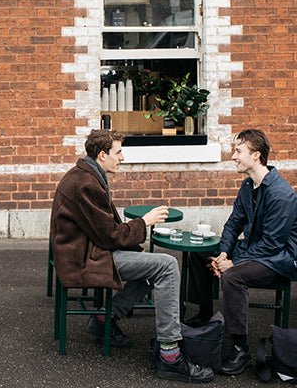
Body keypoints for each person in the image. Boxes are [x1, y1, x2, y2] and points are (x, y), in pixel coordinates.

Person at [50, 129, 213, 383]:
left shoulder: (84, 175)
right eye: (118, 152)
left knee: (156, 269)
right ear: (102, 155)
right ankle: (170, 355)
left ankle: (105, 318)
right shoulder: (87, 183)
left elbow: (105, 232)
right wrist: (144, 222)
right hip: (85, 259)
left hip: (87, 251)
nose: (122, 157)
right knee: (167, 266)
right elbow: (110, 236)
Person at [186, 128, 297, 375]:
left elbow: (271, 245)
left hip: (278, 260)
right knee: (200, 251)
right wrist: (224, 253)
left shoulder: (281, 194)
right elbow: (234, 223)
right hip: (254, 249)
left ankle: (240, 348)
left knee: (233, 276)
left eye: (238, 151)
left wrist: (233, 264)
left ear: (256, 155)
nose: (233, 156)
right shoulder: (248, 186)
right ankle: (205, 314)